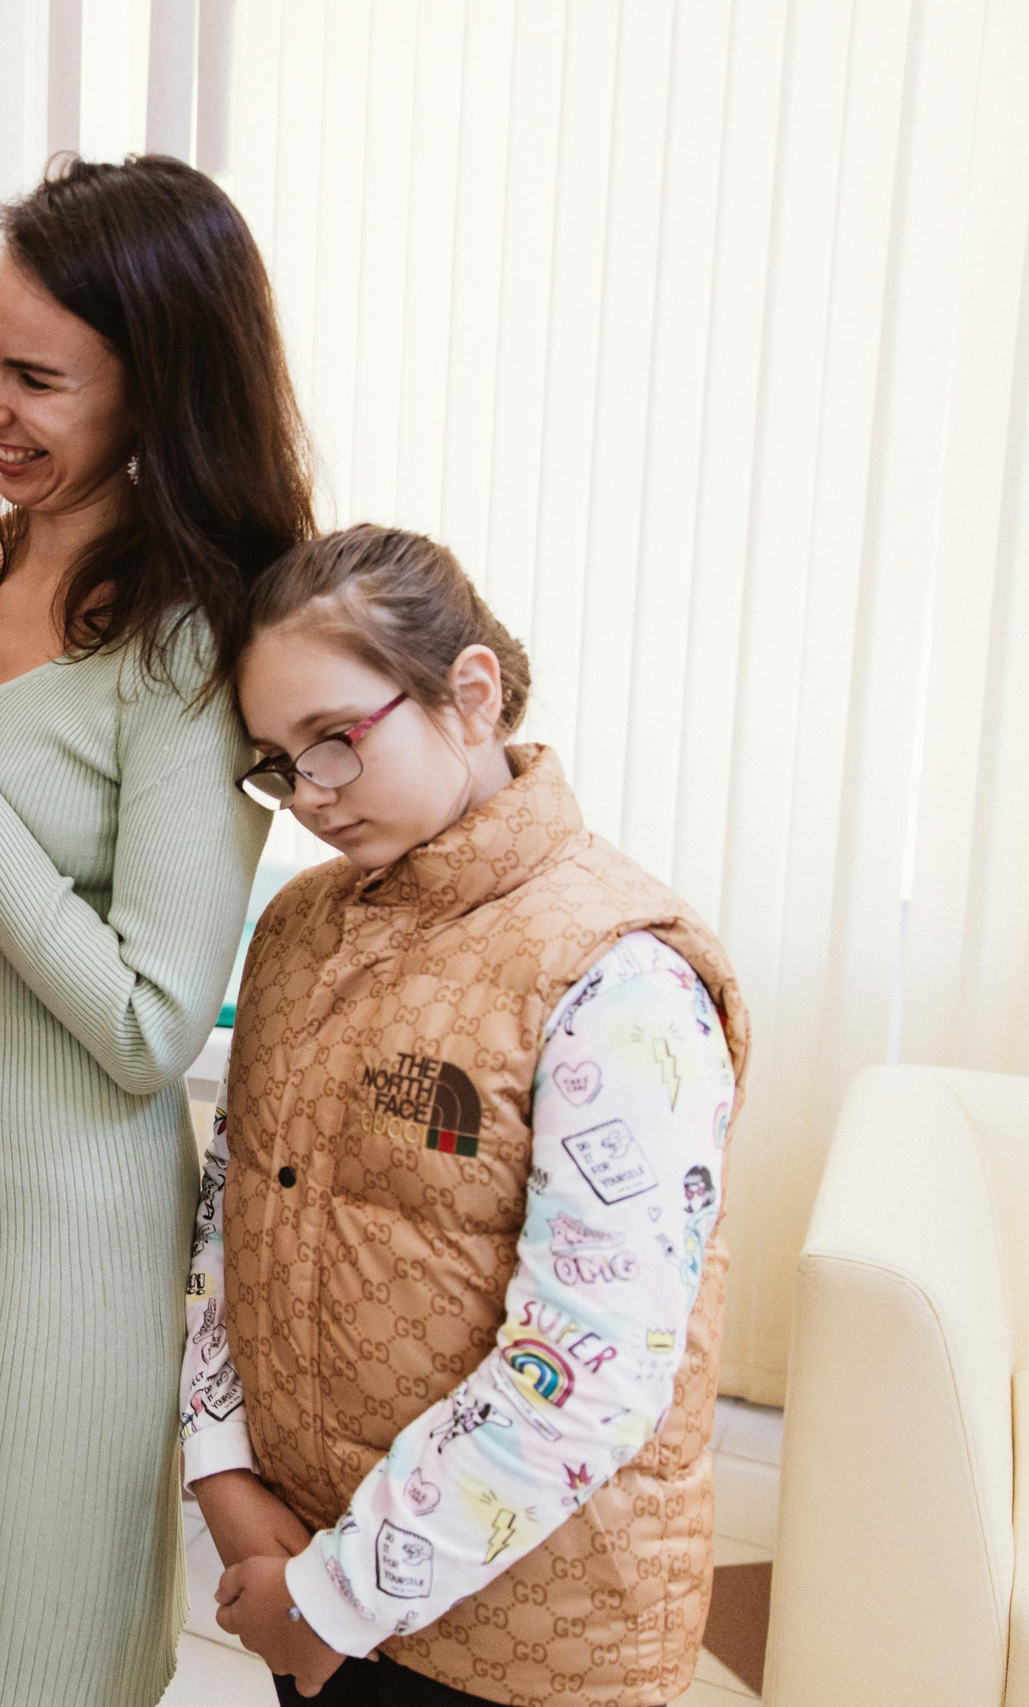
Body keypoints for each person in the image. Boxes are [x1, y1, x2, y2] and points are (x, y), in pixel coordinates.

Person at [0, 154, 309, 1705]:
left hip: (62, 1239)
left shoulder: (197, 641)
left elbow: (153, 1029)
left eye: (35, 377)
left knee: (45, 1665)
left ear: (159, 392)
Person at [186, 524, 749, 1706]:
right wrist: (223, 1475)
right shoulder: (296, 930)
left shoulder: (618, 976)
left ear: (469, 693)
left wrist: (333, 1596)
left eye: (334, 742)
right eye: (278, 764)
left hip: (530, 1638)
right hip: (308, 1573)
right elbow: (226, 1213)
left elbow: (584, 1365)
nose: (310, 801)